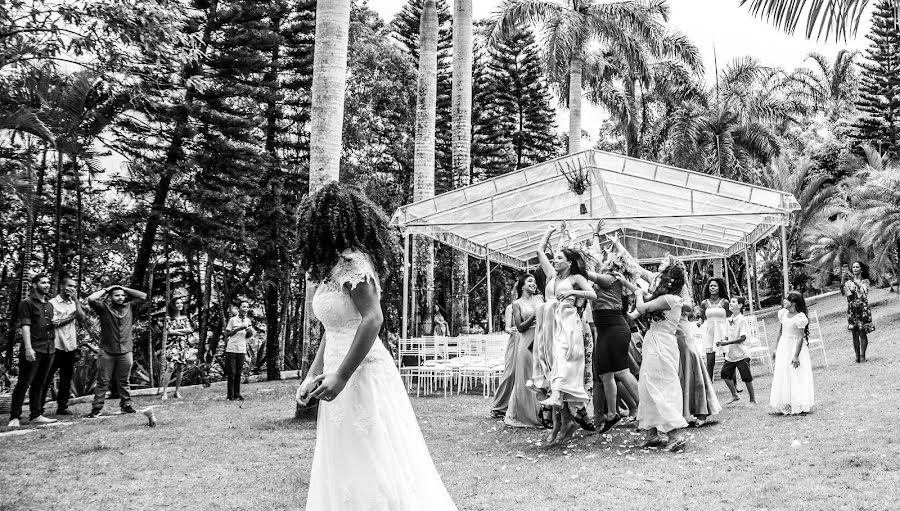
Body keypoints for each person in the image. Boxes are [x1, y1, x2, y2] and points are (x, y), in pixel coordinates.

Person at [295, 183, 457, 510]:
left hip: (362, 374)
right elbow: (334, 329)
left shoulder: (354, 263)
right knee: (346, 461)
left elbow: (372, 319)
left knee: (375, 459)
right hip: (334, 377)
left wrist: (340, 375)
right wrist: (313, 375)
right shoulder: (330, 270)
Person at [535, 224, 596, 445]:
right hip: (550, 328)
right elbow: (540, 251)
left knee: (563, 367)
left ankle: (566, 423)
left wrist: (573, 291)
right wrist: (549, 232)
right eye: (555, 259)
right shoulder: (551, 275)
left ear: (569, 262)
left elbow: (592, 294)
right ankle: (560, 424)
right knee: (553, 370)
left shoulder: (576, 278)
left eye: (559, 258)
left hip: (569, 327)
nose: (555, 261)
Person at [623, 257, 689, 452]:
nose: (656, 280)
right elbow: (638, 310)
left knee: (661, 385)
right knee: (646, 384)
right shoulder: (664, 298)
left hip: (662, 343)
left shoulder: (669, 299)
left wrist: (637, 293)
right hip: (654, 340)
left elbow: (642, 307)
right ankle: (651, 433)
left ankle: (674, 435)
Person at [586, 221, 641, 433]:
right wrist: (595, 235)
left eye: (609, 260)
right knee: (605, 374)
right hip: (604, 329)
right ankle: (612, 413)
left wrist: (577, 259)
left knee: (622, 371)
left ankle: (645, 409)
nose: (604, 260)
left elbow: (589, 271)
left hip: (616, 327)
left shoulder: (611, 279)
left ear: (614, 267)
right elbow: (596, 257)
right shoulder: (605, 274)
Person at [86, 284, 147, 418]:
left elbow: (143, 296)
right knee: (103, 380)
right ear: (110, 297)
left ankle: (126, 405)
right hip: (107, 350)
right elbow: (91, 299)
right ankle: (97, 408)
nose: (120, 298)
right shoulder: (103, 308)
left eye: (122, 295)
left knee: (124, 380)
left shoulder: (130, 307)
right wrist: (108, 288)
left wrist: (124, 289)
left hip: (125, 350)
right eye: (116, 295)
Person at [7, 274, 58, 427]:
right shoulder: (26, 303)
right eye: (43, 282)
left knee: (40, 383)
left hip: (49, 348)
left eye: (48, 282)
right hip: (33, 348)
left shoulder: (49, 305)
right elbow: (25, 326)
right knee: (24, 383)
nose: (47, 285)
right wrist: (28, 348)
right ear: (35, 285)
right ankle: (14, 417)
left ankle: (36, 415)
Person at [504, 275, 544, 428]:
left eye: (534, 281)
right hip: (526, 342)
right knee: (526, 377)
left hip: (540, 342)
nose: (533, 283)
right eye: (530, 281)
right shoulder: (517, 304)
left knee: (540, 378)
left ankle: (543, 413)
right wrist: (535, 314)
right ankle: (526, 415)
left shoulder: (540, 299)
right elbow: (520, 327)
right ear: (522, 286)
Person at [42, 277, 86, 416]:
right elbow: (55, 323)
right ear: (62, 286)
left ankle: (62, 407)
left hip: (70, 345)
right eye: (69, 286)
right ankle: (38, 408)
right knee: (46, 377)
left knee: (66, 378)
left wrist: (77, 302)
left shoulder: (74, 303)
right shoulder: (52, 303)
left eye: (74, 286)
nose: (71, 289)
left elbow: (82, 318)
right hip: (55, 345)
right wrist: (72, 316)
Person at [770, 291, 814, 415]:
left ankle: (797, 402)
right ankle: (785, 402)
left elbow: (800, 338)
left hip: (794, 347)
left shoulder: (800, 318)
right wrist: (776, 348)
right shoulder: (783, 314)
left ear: (793, 302)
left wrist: (795, 356)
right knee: (783, 373)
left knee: (795, 374)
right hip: (784, 345)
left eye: (786, 299)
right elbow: (780, 332)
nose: (784, 301)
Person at [717, 296, 756, 404]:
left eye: (733, 302)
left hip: (742, 353)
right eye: (730, 302)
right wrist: (721, 341)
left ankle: (752, 399)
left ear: (740, 305)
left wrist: (727, 342)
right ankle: (735, 395)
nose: (730, 303)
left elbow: (743, 338)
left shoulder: (742, 320)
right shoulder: (728, 320)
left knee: (746, 377)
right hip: (731, 354)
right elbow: (726, 336)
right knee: (724, 374)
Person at [159, 295, 196, 400]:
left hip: (183, 344)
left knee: (180, 367)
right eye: (177, 303)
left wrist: (177, 332)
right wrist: (182, 331)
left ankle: (177, 391)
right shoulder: (168, 318)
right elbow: (169, 332)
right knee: (170, 366)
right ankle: (164, 392)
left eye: (181, 303)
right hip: (172, 344)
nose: (180, 305)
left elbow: (190, 330)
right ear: (173, 305)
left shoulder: (184, 317)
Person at [699, 278, 730, 381]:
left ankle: (734, 385)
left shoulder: (725, 302)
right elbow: (702, 318)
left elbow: (730, 318)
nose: (712, 287)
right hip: (710, 335)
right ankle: (709, 387)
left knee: (729, 360)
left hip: (723, 333)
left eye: (715, 286)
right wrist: (699, 322)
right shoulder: (704, 303)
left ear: (719, 287)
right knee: (710, 362)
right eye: (711, 286)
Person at [843, 261, 875, 363]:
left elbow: (862, 291)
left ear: (861, 269)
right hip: (852, 310)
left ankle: (862, 356)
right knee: (854, 333)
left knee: (862, 332)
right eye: (853, 267)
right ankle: (857, 356)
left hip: (863, 310)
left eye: (857, 267)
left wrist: (854, 281)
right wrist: (843, 280)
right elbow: (847, 294)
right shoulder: (848, 283)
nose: (855, 268)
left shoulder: (865, 281)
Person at [490, 302, 518, 418]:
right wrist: (512, 330)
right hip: (516, 339)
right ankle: (500, 406)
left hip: (531, 339)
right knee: (510, 373)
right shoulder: (510, 307)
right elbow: (507, 327)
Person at [224, 301, 254, 401]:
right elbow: (227, 334)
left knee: (238, 373)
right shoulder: (233, 320)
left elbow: (248, 335)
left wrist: (249, 332)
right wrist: (238, 329)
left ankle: (237, 393)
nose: (246, 309)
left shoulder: (248, 321)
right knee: (231, 373)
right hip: (232, 349)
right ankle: (230, 395)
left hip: (241, 349)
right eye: (244, 307)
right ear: (239, 309)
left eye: (247, 307)